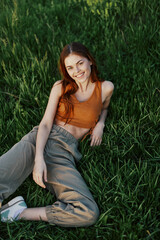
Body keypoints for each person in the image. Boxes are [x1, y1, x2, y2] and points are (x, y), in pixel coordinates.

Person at [0, 42, 114, 227]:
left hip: (63, 152)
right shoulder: (60, 87)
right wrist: (38, 159)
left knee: (87, 212)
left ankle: (17, 212)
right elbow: (45, 124)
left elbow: (105, 107)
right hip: (39, 140)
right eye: (70, 67)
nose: (76, 71)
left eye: (80, 63)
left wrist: (100, 124)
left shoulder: (106, 88)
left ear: (90, 61)